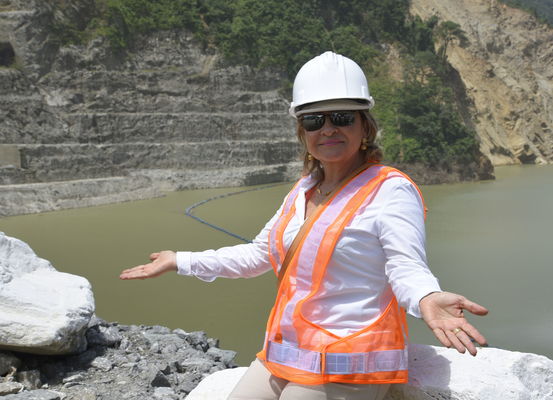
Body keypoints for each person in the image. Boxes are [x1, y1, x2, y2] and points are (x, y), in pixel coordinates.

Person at [120, 51, 488, 400]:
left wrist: (426, 296)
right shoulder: (304, 190)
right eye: (314, 120)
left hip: (347, 361)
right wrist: (179, 260)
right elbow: (258, 254)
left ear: (365, 127)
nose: (328, 129)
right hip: (288, 353)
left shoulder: (391, 189)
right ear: (303, 133)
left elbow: (404, 264)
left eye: (342, 118)